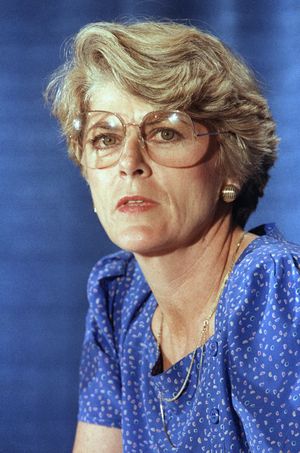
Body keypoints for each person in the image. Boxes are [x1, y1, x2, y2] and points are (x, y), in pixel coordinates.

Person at [45, 21, 300, 453]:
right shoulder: (119, 295)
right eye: (105, 137)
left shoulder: (270, 286)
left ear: (232, 166)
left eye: (166, 132)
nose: (129, 162)